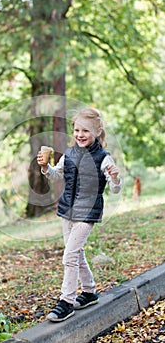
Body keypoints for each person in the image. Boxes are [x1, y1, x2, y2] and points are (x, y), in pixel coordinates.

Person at [37, 107, 122, 322]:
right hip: (67, 210)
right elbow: (56, 175)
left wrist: (115, 178)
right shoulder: (69, 153)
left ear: (97, 132)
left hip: (87, 213)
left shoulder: (104, 158)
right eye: (76, 130)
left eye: (85, 130)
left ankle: (66, 301)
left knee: (70, 256)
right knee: (76, 252)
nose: (80, 134)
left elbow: (115, 189)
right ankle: (89, 291)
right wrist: (46, 167)